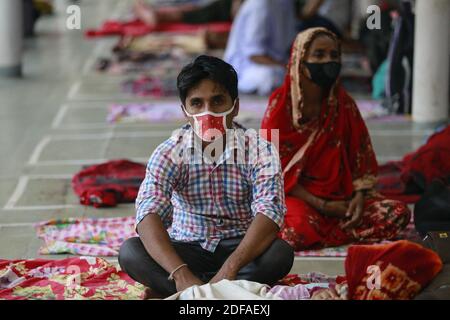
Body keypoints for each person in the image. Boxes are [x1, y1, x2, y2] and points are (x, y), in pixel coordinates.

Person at [119, 55, 294, 298]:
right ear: (185, 111)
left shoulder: (260, 151)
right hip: (187, 249)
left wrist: (230, 268)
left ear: (236, 105)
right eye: (197, 103)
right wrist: (179, 272)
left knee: (279, 254)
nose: (208, 112)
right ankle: (218, 292)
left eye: (218, 100)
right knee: (131, 251)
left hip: (240, 250)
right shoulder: (169, 152)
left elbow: (269, 211)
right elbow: (148, 211)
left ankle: (189, 294)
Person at [261, 28, 411, 251]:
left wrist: (359, 199)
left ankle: (328, 232)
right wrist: (323, 205)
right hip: (298, 197)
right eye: (319, 55)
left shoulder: (344, 104)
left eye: (334, 55)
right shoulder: (280, 106)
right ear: (301, 61)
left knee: (396, 213)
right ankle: (333, 231)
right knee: (294, 230)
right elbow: (272, 170)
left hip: (342, 199)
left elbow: (361, 158)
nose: (328, 61)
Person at [224, 0, 298, 96]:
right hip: (246, 68)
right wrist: (286, 67)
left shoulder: (286, 3)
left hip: (277, 63)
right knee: (269, 77)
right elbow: (254, 55)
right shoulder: (259, 4)